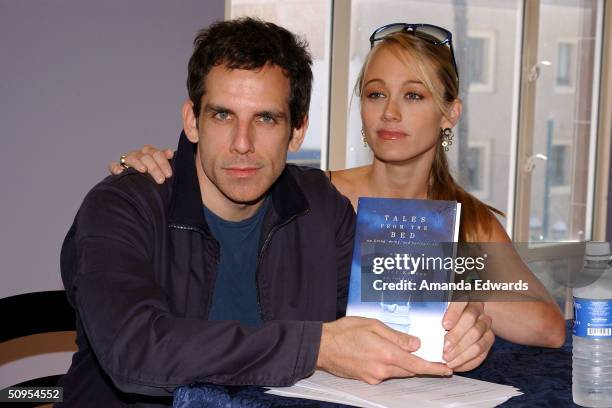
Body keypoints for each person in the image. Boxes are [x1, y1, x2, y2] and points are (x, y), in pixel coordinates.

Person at [61, 18, 494, 407]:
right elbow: (136, 352)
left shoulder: (322, 208)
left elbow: (383, 325)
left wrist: (458, 328)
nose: (242, 143)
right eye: (223, 115)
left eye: (266, 119)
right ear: (193, 121)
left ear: (297, 130)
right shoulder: (122, 205)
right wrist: (316, 348)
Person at [111, 23, 566, 351]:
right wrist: (151, 166)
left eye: (413, 95)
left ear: (450, 113)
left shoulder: (469, 220)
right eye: (374, 94)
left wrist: (445, 283)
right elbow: (228, 169)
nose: (389, 113)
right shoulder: (316, 197)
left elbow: (548, 325)